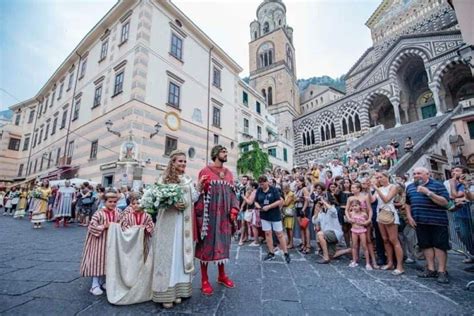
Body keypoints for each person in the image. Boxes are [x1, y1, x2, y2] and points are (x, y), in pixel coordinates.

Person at [150, 150, 200, 307]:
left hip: (183, 224)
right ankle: (166, 293)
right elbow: (156, 198)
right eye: (180, 161)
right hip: (168, 223)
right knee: (168, 256)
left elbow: (193, 197)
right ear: (172, 162)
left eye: (185, 161)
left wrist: (199, 187)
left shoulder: (187, 179)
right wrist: (171, 203)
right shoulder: (163, 179)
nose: (183, 164)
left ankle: (179, 291)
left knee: (180, 255)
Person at [194, 145, 239, 296]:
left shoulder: (229, 174)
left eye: (226, 151)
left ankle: (221, 275)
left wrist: (234, 209)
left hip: (224, 217)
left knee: (223, 245)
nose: (226, 154)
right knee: (205, 246)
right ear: (215, 154)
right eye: (223, 151)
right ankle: (204, 279)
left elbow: (233, 194)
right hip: (209, 216)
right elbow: (199, 193)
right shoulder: (205, 171)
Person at [405, 167, 450, 283]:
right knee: (425, 245)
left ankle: (442, 271)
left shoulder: (438, 185)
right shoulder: (410, 187)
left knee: (440, 246)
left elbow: (445, 202)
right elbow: (407, 203)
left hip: (437, 221)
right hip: (420, 221)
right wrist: (409, 217)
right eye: (414, 173)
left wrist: (428, 193)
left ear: (427, 174)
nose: (416, 175)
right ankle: (431, 269)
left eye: (419, 173)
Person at [80, 190, 121, 296]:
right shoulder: (99, 213)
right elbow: (92, 226)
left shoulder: (118, 213)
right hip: (99, 241)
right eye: (110, 201)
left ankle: (103, 281)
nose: (112, 204)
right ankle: (94, 284)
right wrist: (103, 226)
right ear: (105, 202)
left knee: (108, 260)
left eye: (114, 202)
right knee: (97, 261)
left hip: (112, 241)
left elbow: (123, 223)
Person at [371, 171, 404, 275]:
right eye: (377, 177)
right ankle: (390, 263)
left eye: (380, 177)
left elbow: (386, 199)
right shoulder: (378, 189)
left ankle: (399, 266)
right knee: (385, 239)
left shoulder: (393, 187)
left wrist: (376, 189)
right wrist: (368, 190)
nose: (379, 179)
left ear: (386, 177)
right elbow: (372, 200)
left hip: (389, 213)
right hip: (380, 214)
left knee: (393, 240)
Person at [255, 175, 291, 263]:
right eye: (260, 184)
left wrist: (269, 206)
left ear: (267, 182)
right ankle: (271, 252)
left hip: (275, 214)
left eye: (263, 184)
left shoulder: (274, 189)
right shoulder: (259, 190)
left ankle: (286, 253)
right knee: (267, 233)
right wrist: (259, 206)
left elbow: (279, 200)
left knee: (279, 234)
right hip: (264, 214)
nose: (261, 186)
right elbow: (256, 201)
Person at [313, 197, 351, 264]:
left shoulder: (333, 211)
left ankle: (325, 257)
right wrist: (316, 211)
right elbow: (315, 221)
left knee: (319, 234)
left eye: (323, 204)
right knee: (331, 255)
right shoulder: (321, 213)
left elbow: (333, 210)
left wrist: (324, 202)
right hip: (327, 235)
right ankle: (349, 250)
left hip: (335, 234)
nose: (321, 206)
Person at [120, 193, 154, 260]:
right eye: (133, 204)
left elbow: (151, 227)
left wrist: (144, 229)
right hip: (131, 242)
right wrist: (133, 230)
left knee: (143, 257)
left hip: (144, 241)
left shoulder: (147, 216)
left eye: (138, 203)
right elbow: (124, 228)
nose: (136, 205)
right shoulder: (127, 216)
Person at [347, 200, 371, 269]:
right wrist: (350, 220)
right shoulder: (351, 213)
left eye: (356, 205)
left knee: (364, 246)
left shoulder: (364, 214)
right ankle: (354, 260)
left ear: (360, 206)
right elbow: (348, 219)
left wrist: (364, 223)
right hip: (354, 230)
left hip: (362, 230)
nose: (354, 207)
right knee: (354, 246)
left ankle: (368, 263)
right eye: (353, 206)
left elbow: (368, 222)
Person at [295, 176, 311, 254]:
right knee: (301, 227)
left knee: (306, 227)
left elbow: (307, 200)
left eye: (298, 181)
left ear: (302, 182)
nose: (297, 182)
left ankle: (308, 246)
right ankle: (303, 244)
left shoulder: (304, 189)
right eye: (296, 181)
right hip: (298, 208)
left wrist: (303, 209)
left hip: (302, 209)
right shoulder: (297, 189)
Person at [282, 183, 296, 249]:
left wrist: (281, 200)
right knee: (287, 228)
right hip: (286, 213)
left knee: (290, 228)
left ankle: (291, 243)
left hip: (289, 212)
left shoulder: (291, 194)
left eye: (285, 188)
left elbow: (286, 203)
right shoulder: (287, 194)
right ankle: (289, 241)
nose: (284, 190)